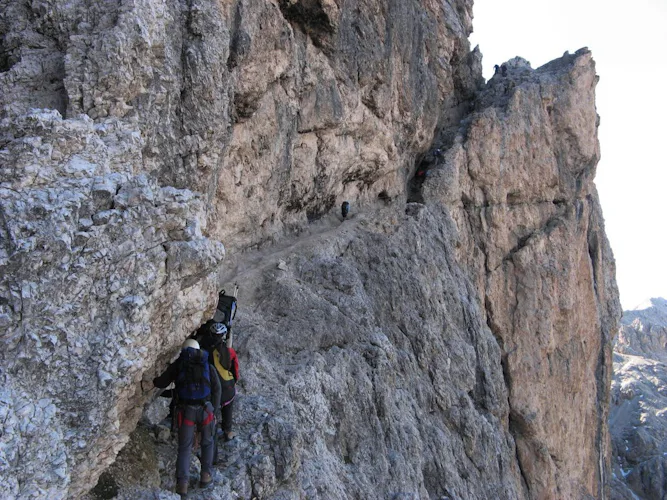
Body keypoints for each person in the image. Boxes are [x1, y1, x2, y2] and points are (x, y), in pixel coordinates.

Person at [153, 339, 221, 498]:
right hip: (206, 409)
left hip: (186, 411)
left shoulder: (179, 365)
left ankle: (182, 485)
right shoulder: (206, 364)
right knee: (208, 442)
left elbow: (161, 382)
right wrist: (215, 411)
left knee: (184, 447)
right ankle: (205, 476)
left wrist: (151, 380)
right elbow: (217, 389)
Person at [205, 323, 240, 442]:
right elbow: (235, 370)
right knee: (229, 404)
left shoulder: (205, 351)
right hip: (228, 387)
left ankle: (207, 432)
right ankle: (228, 431)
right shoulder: (229, 352)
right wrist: (234, 381)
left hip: (212, 389)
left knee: (211, 408)